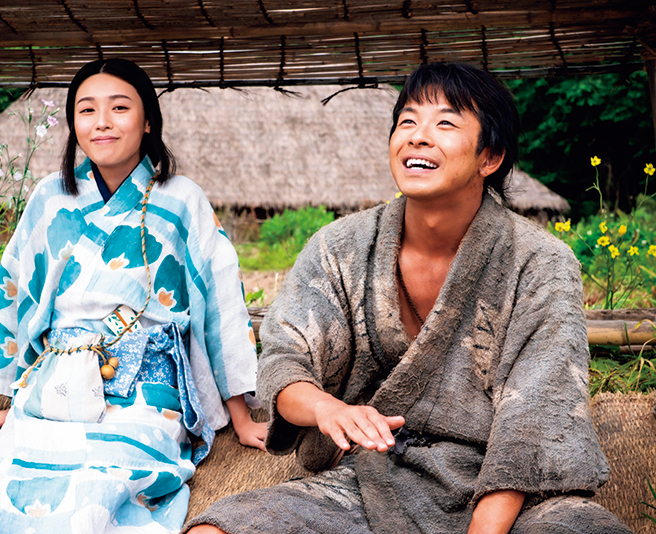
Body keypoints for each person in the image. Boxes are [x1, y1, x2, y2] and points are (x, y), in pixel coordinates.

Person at [184, 63, 632, 534]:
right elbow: (284, 362)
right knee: (214, 531)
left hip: (505, 492)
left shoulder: (539, 262)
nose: (418, 136)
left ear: (490, 156)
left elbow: (536, 413)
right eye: (408, 121)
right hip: (371, 477)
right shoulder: (340, 247)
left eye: (445, 122)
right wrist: (328, 409)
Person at [0, 58, 266, 534]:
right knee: (14, 484)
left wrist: (241, 417)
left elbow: (221, 299)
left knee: (105, 481)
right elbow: (18, 290)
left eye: (119, 107)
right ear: (73, 123)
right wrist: (18, 394)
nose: (101, 121)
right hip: (58, 378)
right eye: (86, 110)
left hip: (147, 386)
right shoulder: (49, 197)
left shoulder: (183, 198)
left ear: (147, 122)